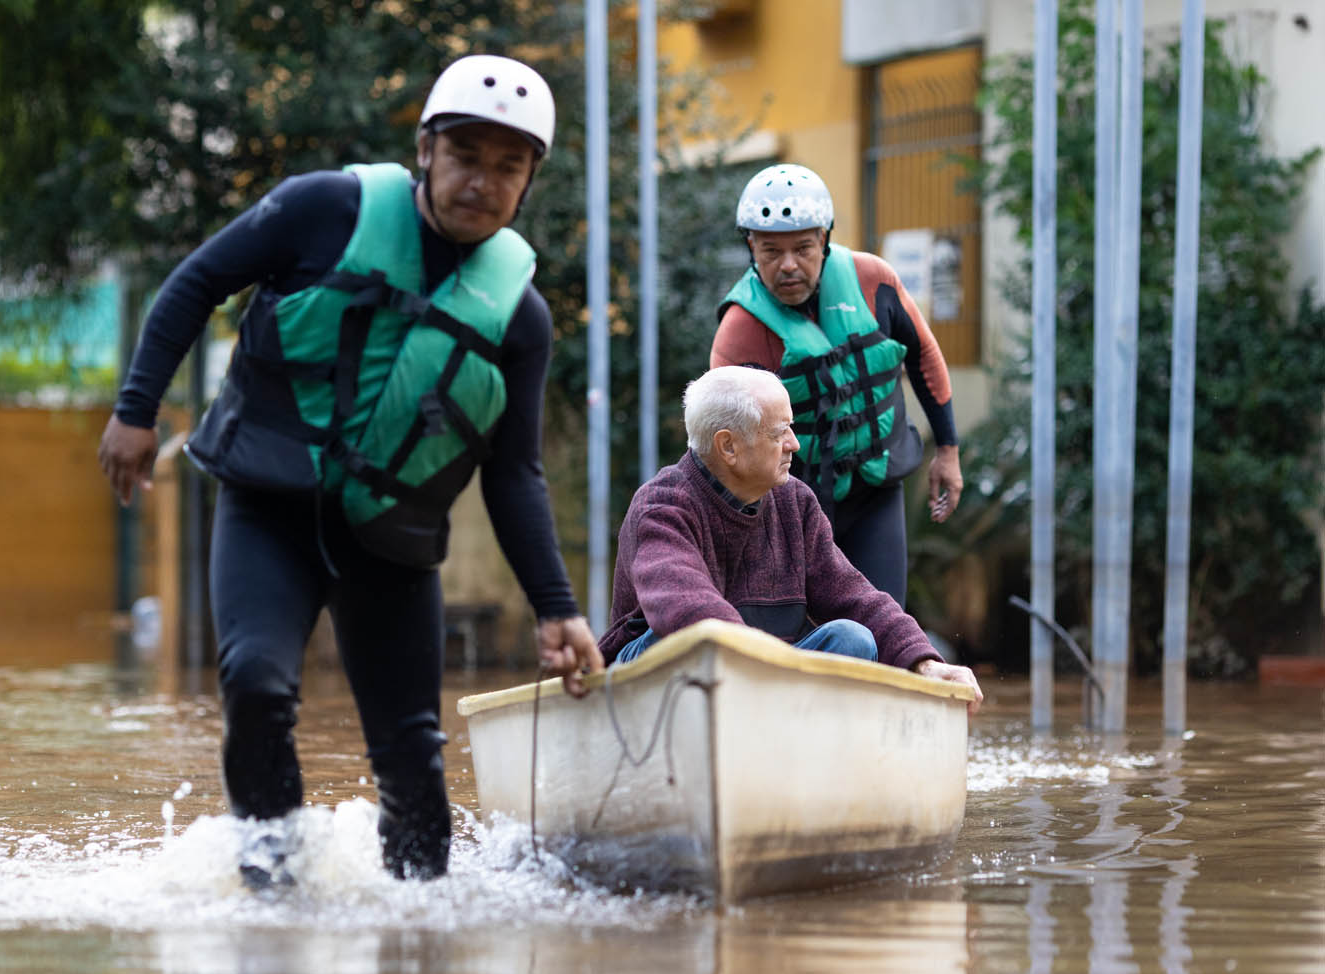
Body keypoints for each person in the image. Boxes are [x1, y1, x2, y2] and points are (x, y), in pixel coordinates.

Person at [96, 54, 602, 886]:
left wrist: (556, 609)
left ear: (528, 184)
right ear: (426, 151)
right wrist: (135, 410)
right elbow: (196, 282)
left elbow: (514, 474)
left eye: (508, 168)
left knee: (412, 757)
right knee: (256, 686)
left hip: (391, 544)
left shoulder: (519, 317)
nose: (483, 181)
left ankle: (422, 937)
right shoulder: (321, 209)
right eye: (467, 157)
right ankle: (272, 880)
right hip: (269, 509)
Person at [598, 366, 982, 713]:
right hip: (673, 682)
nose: (795, 444)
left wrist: (924, 663)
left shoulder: (794, 500)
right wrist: (771, 666)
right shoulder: (663, 505)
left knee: (852, 638)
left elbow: (854, 596)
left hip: (764, 677)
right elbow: (684, 606)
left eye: (791, 428)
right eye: (780, 432)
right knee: (685, 642)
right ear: (727, 446)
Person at [712, 163, 964, 606]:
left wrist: (947, 450)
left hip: (875, 493)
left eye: (803, 248)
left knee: (885, 627)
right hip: (789, 506)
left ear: (824, 239)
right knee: (804, 643)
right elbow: (720, 443)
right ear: (750, 246)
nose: (788, 265)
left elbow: (924, 354)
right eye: (771, 251)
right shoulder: (740, 330)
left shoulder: (873, 281)